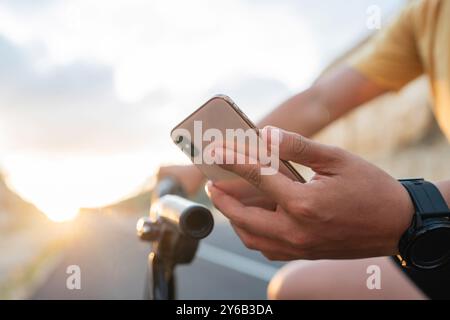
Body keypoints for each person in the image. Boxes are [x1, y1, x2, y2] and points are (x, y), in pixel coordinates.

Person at [158, 0, 450, 299]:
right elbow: (319, 102)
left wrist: (411, 211)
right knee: (294, 289)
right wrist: (196, 169)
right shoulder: (428, 12)